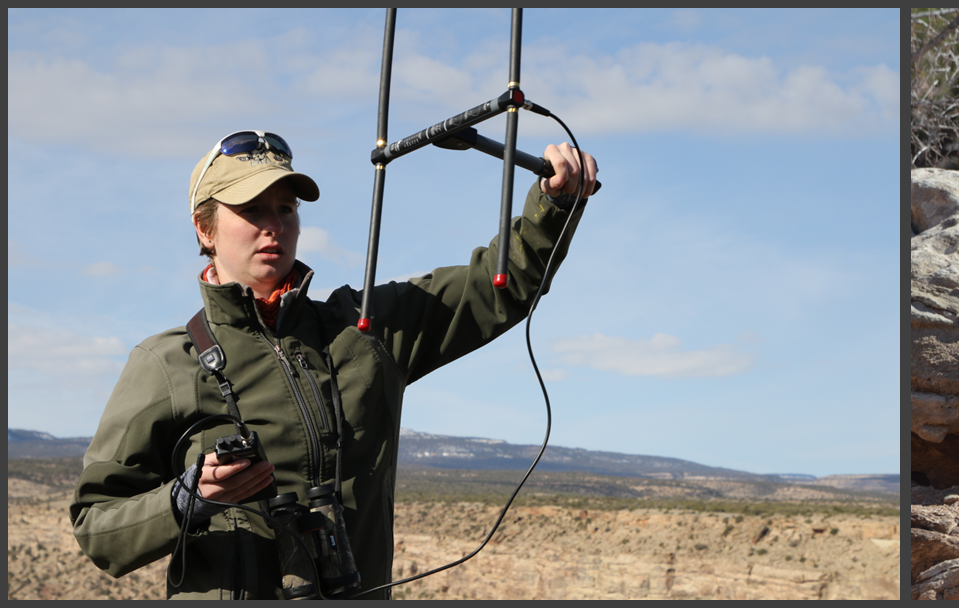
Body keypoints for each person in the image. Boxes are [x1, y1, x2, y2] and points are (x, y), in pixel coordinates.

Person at [69, 130, 599, 599]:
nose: (272, 226)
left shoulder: (365, 327)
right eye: (251, 210)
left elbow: (496, 289)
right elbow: (98, 528)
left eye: (286, 209)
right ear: (204, 229)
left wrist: (554, 205)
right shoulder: (165, 363)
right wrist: (191, 497)